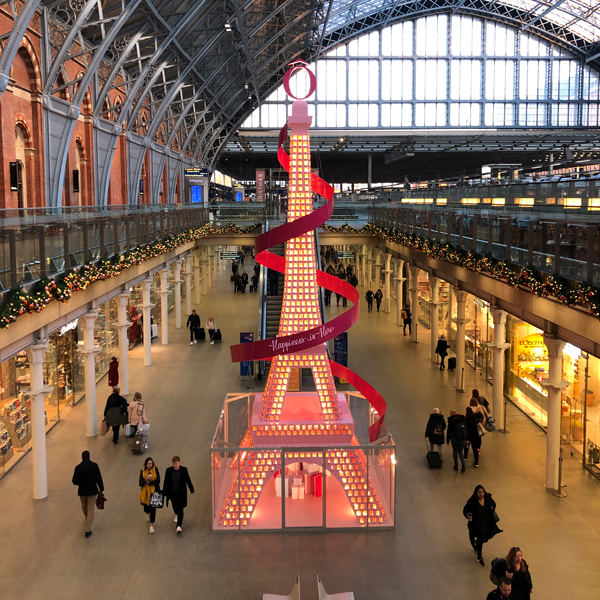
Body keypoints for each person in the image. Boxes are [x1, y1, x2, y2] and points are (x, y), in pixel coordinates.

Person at [463, 485, 502, 567]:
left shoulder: (487, 499)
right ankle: (479, 557)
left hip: (486, 523)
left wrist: (492, 508)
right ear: (476, 493)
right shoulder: (472, 502)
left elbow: (493, 504)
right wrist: (467, 515)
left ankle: (476, 543)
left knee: (484, 538)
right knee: (480, 540)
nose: (481, 494)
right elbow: (466, 509)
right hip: (476, 525)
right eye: (479, 492)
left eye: (482, 492)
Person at [72, 450, 104, 538]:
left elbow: (74, 481)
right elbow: (99, 478)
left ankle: (87, 517)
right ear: (89, 456)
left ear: (82, 457)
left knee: (84, 506)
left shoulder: (78, 467)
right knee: (91, 509)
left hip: (82, 491)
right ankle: (87, 530)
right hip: (92, 491)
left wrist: (81, 483)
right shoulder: (94, 466)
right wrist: (101, 488)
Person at [163, 456, 195, 534]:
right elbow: (166, 482)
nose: (175, 465)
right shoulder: (168, 471)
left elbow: (188, 480)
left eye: (176, 464)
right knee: (174, 506)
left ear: (179, 463)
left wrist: (191, 489)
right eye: (174, 464)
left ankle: (178, 526)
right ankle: (176, 514)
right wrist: (164, 492)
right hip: (172, 494)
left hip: (181, 494)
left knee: (181, 509)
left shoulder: (184, 470)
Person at [464, 398, 489, 467]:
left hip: (468, 435)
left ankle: (465, 456)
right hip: (476, 433)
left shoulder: (466, 418)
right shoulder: (480, 409)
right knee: (475, 447)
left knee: (466, 445)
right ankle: (476, 461)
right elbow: (487, 414)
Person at [139, 456, 160, 534]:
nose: (149, 465)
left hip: (154, 492)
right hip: (145, 493)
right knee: (146, 508)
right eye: (148, 464)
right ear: (145, 464)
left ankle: (151, 525)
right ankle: (148, 514)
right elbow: (140, 483)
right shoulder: (142, 471)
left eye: (151, 463)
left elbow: (158, 480)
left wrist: (150, 483)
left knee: (153, 508)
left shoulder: (156, 470)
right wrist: (145, 480)